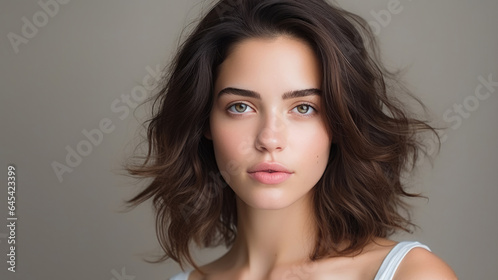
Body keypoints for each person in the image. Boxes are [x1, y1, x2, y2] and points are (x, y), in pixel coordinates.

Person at [126, 0, 457, 279]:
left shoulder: (411, 274)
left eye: (303, 108)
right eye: (240, 107)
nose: (270, 139)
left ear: (341, 124)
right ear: (204, 121)